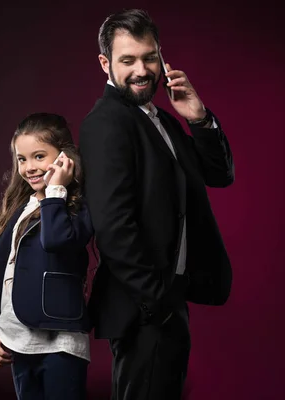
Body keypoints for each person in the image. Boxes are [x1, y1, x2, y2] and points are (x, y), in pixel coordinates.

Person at [79, 9, 235, 400]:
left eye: (149, 57)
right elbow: (114, 226)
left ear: (162, 58)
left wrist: (198, 117)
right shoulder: (107, 122)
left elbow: (219, 175)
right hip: (145, 308)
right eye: (127, 60)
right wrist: (157, 303)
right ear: (105, 63)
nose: (141, 70)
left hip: (167, 301)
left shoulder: (161, 119)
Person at [0, 112, 93, 399]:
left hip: (61, 345)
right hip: (18, 344)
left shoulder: (76, 206)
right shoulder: (21, 208)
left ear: (64, 159)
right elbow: (5, 275)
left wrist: (56, 190)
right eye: (22, 159)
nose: (29, 167)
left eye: (39, 156)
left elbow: (56, 240)